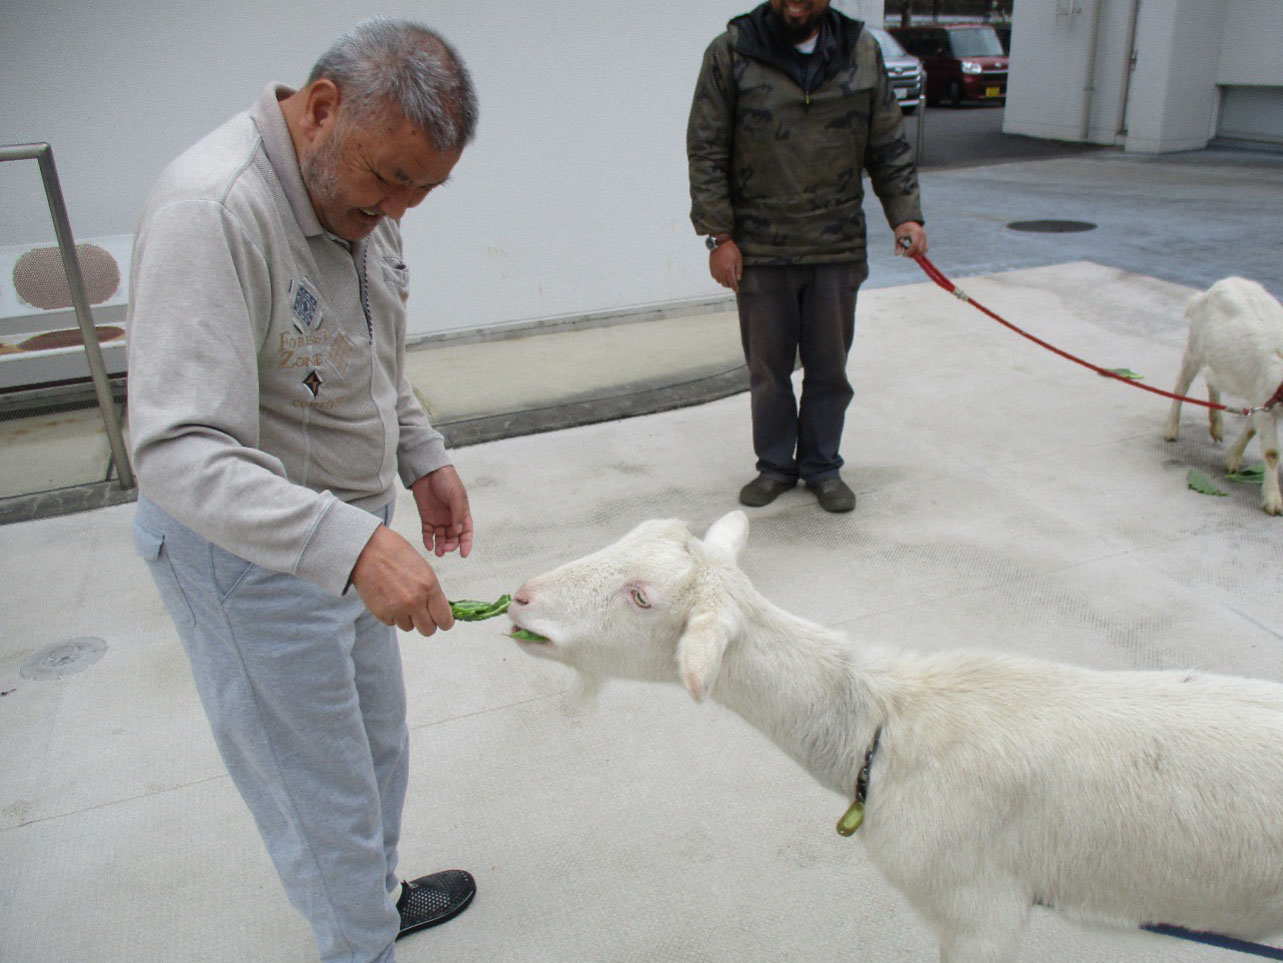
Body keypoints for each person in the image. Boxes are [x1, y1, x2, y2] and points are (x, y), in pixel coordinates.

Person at [126, 18, 479, 963]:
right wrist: (351, 545)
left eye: (424, 189)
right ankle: (358, 944)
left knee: (375, 747)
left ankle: (376, 899)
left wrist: (420, 455)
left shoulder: (358, 200)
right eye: (390, 179)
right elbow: (175, 450)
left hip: (350, 531)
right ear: (321, 109)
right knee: (317, 786)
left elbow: (363, 351)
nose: (399, 209)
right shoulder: (211, 213)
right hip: (251, 556)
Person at [687, 0, 928, 513]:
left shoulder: (861, 51)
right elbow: (706, 148)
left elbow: (888, 142)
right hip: (760, 248)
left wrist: (906, 215)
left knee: (829, 369)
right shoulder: (732, 52)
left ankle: (821, 466)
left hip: (835, 244)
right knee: (768, 371)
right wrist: (719, 236)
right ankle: (775, 465)